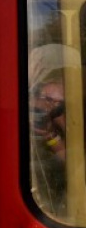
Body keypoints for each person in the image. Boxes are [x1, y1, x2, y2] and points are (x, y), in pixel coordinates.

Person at [28, 43, 81, 217]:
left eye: (59, 104)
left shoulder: (70, 119)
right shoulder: (15, 116)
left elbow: (77, 170)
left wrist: (53, 137)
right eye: (47, 98)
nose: (49, 107)